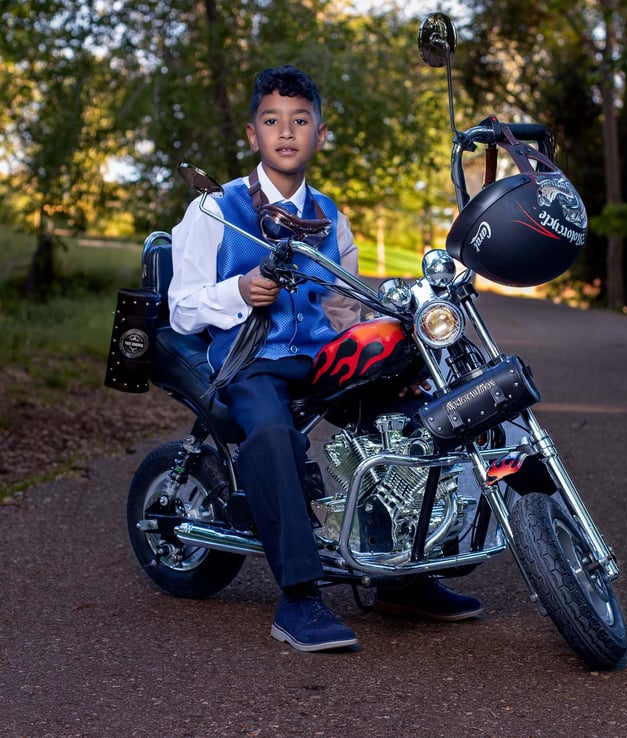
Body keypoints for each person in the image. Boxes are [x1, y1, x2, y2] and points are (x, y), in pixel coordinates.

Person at [168, 65, 482, 652]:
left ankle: (403, 579)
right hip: (249, 357)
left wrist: (394, 346)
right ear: (252, 134)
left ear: (320, 134)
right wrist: (239, 291)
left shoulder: (332, 217)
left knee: (407, 420)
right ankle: (299, 598)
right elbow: (182, 308)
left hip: (319, 358)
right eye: (272, 121)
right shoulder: (213, 210)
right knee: (271, 433)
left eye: (300, 120)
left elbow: (346, 310)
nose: (286, 132)